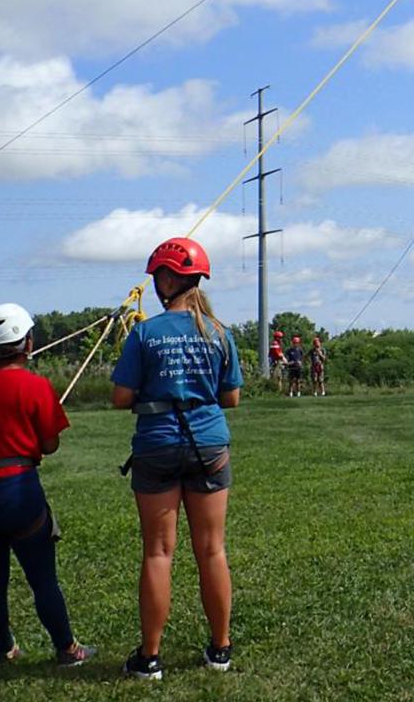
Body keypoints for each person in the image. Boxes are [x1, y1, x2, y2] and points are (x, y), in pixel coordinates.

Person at [111, 237, 244, 678]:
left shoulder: (145, 334)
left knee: (158, 552)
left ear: (168, 279)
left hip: (157, 445)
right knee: (212, 550)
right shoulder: (220, 331)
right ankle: (220, 649)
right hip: (208, 445)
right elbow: (232, 397)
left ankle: (149, 657)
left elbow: (120, 396)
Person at [0, 303, 95, 666]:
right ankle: (67, 649)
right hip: (19, 489)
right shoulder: (36, 387)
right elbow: (50, 444)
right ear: (27, 342)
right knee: (43, 578)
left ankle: (5, 649)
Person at [285, 334, 306, 398]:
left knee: (298, 381)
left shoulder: (300, 350)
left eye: (297, 343)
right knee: (291, 381)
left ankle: (298, 392)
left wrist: (301, 362)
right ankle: (290, 392)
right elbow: (286, 358)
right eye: (294, 343)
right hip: (291, 367)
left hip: (298, 367)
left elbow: (303, 358)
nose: (295, 344)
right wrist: (288, 363)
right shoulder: (289, 350)